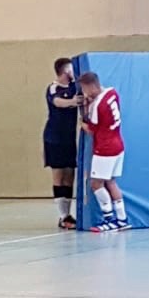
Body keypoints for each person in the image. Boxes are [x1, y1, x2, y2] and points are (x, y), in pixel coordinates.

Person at [78, 70, 128, 232]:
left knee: (96, 183)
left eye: (84, 88)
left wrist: (81, 121)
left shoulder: (97, 106)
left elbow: (91, 129)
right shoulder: (112, 93)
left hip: (105, 148)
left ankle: (109, 218)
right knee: (111, 182)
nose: (84, 92)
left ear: (91, 86)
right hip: (118, 144)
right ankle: (122, 219)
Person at [44, 56, 80, 230]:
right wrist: (73, 102)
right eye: (71, 69)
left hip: (69, 138)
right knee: (59, 175)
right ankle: (62, 216)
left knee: (70, 174)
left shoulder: (75, 87)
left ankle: (68, 214)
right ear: (66, 71)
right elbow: (57, 102)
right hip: (54, 138)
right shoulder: (53, 88)